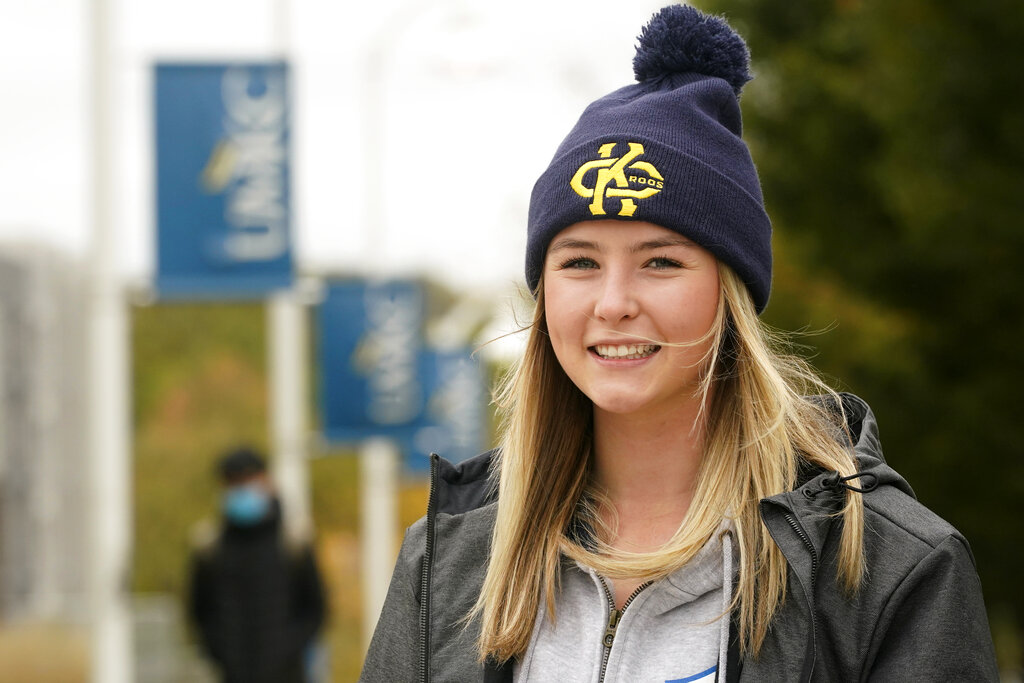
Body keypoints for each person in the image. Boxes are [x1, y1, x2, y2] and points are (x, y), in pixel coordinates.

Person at [360, 6, 999, 682]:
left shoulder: (886, 567)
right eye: (579, 262)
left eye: (660, 261)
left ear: (730, 295)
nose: (613, 303)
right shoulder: (445, 566)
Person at [187, 446, 326, 683]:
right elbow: (199, 611)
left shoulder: (292, 540)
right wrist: (220, 653)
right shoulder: (210, 545)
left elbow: (315, 608)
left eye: (248, 479)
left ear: (266, 481)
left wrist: (288, 649)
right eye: (233, 482)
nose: (241, 489)